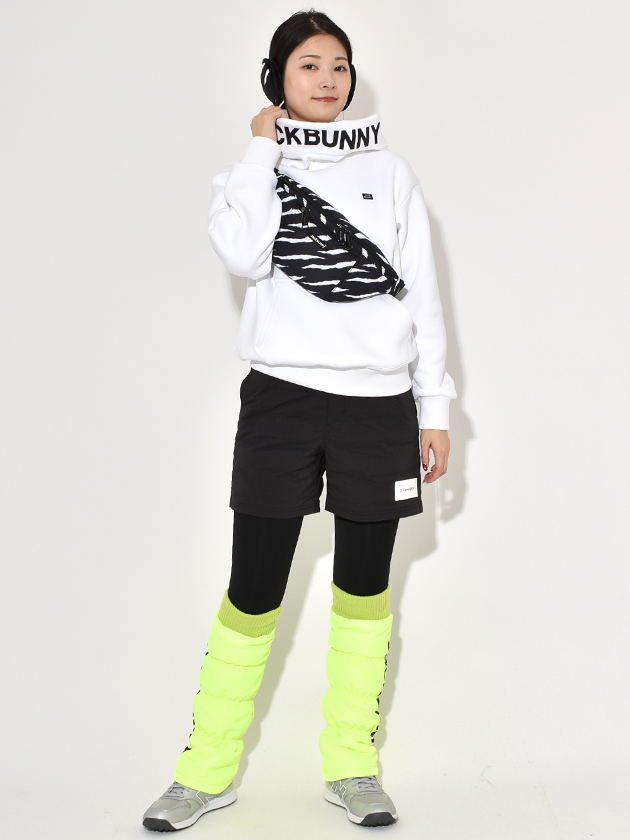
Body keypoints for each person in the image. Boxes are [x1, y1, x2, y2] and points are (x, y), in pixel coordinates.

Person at [142, 8, 456, 832]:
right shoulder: (249, 174)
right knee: (253, 588)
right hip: (281, 401)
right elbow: (243, 255)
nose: (327, 79)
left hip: (379, 408)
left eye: (338, 65)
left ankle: (352, 766)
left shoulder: (390, 172)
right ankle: (204, 771)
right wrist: (261, 150)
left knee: (365, 588)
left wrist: (434, 407)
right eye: (309, 64)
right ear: (277, 76)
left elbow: (424, 296)